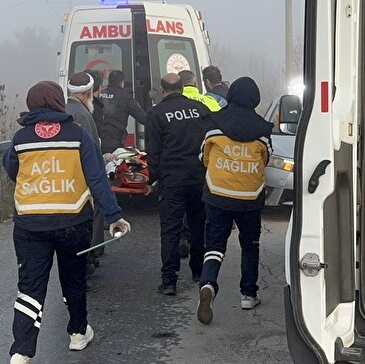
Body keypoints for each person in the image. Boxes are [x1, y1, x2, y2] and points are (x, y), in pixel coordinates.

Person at [4, 82, 130, 364]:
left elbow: (12, 170)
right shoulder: (78, 135)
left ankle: (20, 357)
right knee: (73, 277)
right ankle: (77, 333)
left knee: (30, 288)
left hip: (29, 223)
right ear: (59, 103)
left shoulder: (20, 138)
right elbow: (97, 178)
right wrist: (114, 216)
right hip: (73, 220)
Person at [196, 77, 272, 324]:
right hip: (250, 197)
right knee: (250, 244)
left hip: (217, 194)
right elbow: (266, 159)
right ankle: (248, 295)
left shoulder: (214, 124)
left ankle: (208, 284)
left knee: (215, 244)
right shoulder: (262, 129)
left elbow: (204, 157)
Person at [145, 73, 211, 296]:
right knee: (198, 226)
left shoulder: (156, 114)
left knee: (171, 231)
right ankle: (199, 271)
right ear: (182, 87)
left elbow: (153, 152)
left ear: (163, 90)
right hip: (198, 177)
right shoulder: (200, 109)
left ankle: (169, 281)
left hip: (172, 181)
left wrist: (152, 179)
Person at [64, 72, 107, 268]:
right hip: (83, 176)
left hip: (70, 174)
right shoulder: (82, 114)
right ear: (88, 92)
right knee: (92, 212)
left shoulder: (66, 109)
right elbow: (87, 150)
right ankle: (91, 253)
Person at [96, 69, 149, 154]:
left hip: (98, 139)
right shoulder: (125, 96)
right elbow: (142, 117)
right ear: (121, 83)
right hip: (114, 141)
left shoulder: (99, 94)